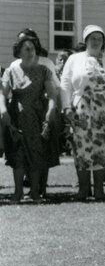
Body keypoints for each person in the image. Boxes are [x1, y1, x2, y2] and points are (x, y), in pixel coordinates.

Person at [60, 25, 105, 201]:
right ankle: (84, 189)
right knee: (81, 148)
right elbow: (65, 84)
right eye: (92, 38)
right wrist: (66, 107)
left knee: (102, 148)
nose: (96, 41)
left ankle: (99, 190)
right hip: (81, 111)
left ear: (103, 42)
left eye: (99, 39)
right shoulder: (74, 59)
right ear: (86, 40)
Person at [1, 33, 61, 202]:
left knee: (36, 154)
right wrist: (3, 110)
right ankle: (18, 192)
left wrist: (51, 111)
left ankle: (35, 192)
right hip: (16, 116)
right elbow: (2, 94)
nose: (30, 52)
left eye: (32, 48)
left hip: (37, 116)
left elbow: (52, 95)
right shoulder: (11, 71)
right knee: (17, 155)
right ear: (18, 52)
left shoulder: (44, 70)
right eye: (26, 49)